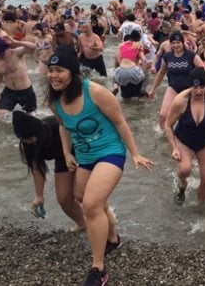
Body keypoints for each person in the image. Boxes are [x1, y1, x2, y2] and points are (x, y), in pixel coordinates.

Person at [46, 52, 153, 285]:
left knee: (92, 204)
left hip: (110, 152)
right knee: (82, 197)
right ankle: (113, 238)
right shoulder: (54, 101)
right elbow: (64, 127)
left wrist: (134, 153)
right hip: (84, 156)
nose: (54, 76)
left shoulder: (94, 92)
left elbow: (119, 121)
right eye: (51, 71)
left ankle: (98, 269)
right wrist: (66, 152)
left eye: (59, 71)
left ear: (72, 73)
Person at [12, 111, 86, 230]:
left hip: (81, 151)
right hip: (62, 158)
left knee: (81, 194)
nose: (28, 142)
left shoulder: (56, 125)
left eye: (30, 138)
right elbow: (37, 168)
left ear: (39, 132)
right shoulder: (28, 144)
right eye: (23, 139)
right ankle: (83, 224)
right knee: (64, 199)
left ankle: (104, 219)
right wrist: (39, 195)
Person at [164, 68, 205, 205]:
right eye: (195, 87)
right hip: (184, 140)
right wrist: (174, 148)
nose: (198, 91)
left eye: (202, 87)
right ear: (190, 85)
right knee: (184, 170)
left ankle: (200, 206)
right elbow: (168, 125)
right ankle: (182, 184)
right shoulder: (180, 100)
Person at [149, 32, 204, 129]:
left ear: (183, 43)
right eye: (173, 43)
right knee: (163, 114)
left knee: (186, 117)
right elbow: (161, 73)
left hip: (189, 89)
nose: (175, 45)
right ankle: (164, 135)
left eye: (178, 42)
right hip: (173, 87)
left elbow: (204, 71)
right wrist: (153, 89)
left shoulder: (191, 55)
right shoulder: (167, 56)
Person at [0, 35, 37, 118]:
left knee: (32, 118)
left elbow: (34, 47)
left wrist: (16, 42)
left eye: (0, 53)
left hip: (26, 91)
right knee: (0, 116)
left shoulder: (15, 53)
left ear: (5, 49)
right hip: (9, 92)